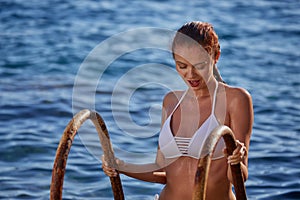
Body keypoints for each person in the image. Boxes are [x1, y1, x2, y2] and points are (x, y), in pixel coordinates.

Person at [102, 21, 253, 200]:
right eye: (182, 66)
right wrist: (120, 165)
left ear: (215, 56)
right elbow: (163, 171)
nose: (191, 75)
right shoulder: (171, 101)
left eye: (199, 66)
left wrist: (235, 160)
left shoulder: (235, 99)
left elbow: (239, 178)